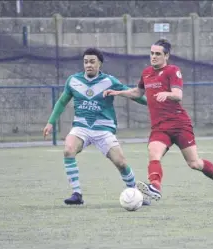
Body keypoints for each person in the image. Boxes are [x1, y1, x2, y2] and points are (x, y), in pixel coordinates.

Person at [103, 39, 213, 203]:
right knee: (153, 153)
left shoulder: (172, 70)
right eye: (152, 53)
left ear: (166, 55)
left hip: (179, 124)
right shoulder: (147, 73)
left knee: (194, 163)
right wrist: (118, 92)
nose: (154, 56)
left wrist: (167, 94)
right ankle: (155, 186)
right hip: (160, 127)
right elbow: (137, 93)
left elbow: (178, 95)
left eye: (158, 54)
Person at [43, 47, 150, 205]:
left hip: (104, 129)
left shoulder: (110, 81)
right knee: (68, 150)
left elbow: (132, 94)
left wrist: (152, 104)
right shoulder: (73, 81)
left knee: (121, 163)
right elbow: (62, 101)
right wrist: (50, 122)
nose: (88, 65)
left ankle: (135, 193)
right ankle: (77, 194)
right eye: (86, 62)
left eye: (92, 62)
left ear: (100, 64)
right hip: (81, 127)